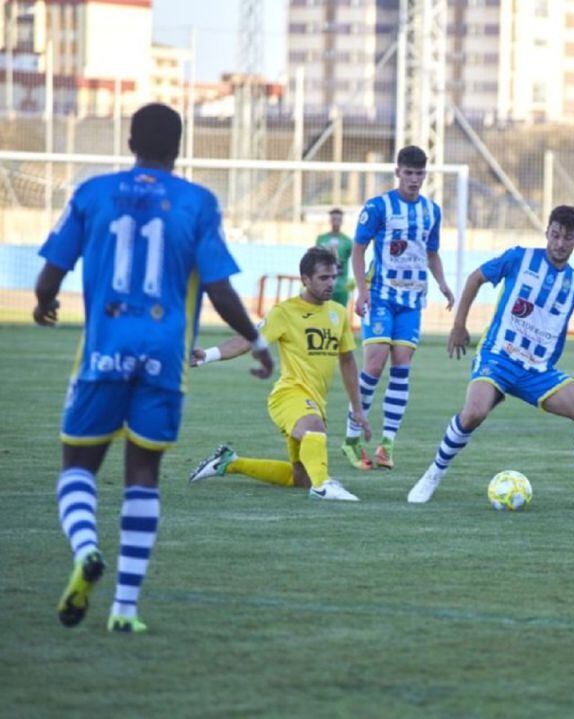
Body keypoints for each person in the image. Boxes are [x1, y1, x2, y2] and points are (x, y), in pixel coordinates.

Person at [33, 103, 274, 634]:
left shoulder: (93, 192)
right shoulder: (197, 202)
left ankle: (87, 549)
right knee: (143, 476)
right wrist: (256, 341)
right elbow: (218, 287)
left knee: (77, 467)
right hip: (164, 357)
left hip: (103, 351)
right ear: (180, 147)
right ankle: (124, 608)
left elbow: (51, 272)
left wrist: (43, 302)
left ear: (129, 141)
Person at [407, 205, 574, 511]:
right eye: (555, 235)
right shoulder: (519, 258)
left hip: (538, 371)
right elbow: (475, 278)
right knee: (473, 413)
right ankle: (433, 473)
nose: (560, 243)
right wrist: (459, 325)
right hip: (498, 357)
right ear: (547, 232)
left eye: (567, 237)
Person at [188, 246, 371, 502]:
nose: (331, 283)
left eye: (334, 277)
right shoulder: (284, 312)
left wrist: (358, 409)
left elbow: (348, 361)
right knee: (314, 429)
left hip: (315, 401)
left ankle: (229, 463)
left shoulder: (338, 313)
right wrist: (207, 355)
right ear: (305, 279)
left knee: (300, 478)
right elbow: (246, 340)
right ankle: (323, 487)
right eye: (323, 278)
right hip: (289, 396)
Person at [341, 145, 454, 472]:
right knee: (374, 364)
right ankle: (351, 439)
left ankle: (387, 444)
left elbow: (431, 253)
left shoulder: (432, 211)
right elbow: (359, 251)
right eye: (409, 173)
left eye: (420, 174)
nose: (415, 180)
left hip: (412, 299)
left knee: (402, 366)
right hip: (380, 295)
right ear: (398, 172)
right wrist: (361, 291)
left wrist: (443, 283)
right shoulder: (378, 207)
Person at [314, 208, 354, 308]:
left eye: (338, 219)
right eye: (333, 219)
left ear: (342, 221)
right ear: (330, 220)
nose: (336, 222)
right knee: (322, 313)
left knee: (340, 314)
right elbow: (315, 259)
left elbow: (354, 260)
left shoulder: (348, 241)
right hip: (323, 285)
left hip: (341, 287)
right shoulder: (321, 239)